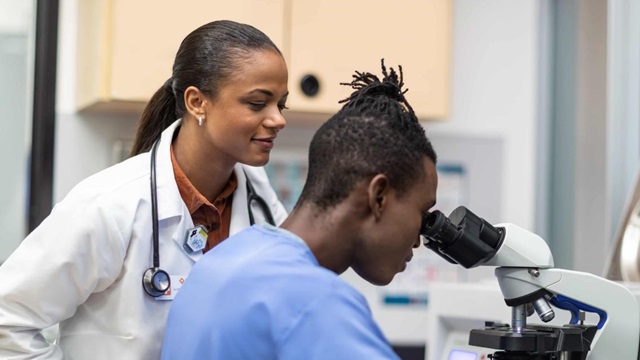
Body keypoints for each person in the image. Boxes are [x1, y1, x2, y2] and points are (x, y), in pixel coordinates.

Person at [0, 20, 289, 359]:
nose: (278, 119)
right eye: (258, 103)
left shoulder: (259, 195)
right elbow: (9, 320)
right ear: (197, 102)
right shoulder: (110, 204)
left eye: (280, 104)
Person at [161, 60, 439, 359]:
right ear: (379, 196)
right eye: (422, 213)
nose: (417, 241)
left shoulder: (225, 258)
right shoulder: (313, 299)